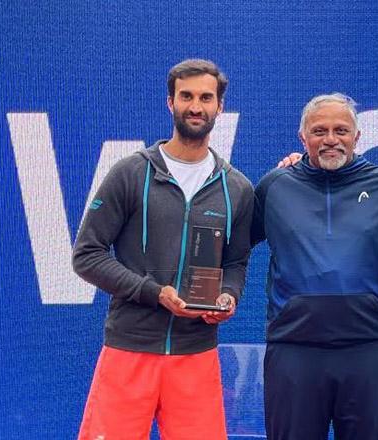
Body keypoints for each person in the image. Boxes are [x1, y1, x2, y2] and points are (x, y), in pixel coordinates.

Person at [72, 59, 254, 440]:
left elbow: (236, 261)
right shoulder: (131, 173)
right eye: (186, 96)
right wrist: (154, 293)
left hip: (196, 353)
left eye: (206, 97)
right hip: (129, 349)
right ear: (169, 102)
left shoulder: (236, 187)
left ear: (220, 106)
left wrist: (228, 295)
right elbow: (87, 254)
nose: (195, 106)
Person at [252, 93, 378, 440]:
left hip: (369, 350)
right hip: (294, 350)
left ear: (357, 137)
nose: (331, 139)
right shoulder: (274, 186)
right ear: (302, 138)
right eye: (319, 131)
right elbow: (232, 250)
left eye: (341, 130)